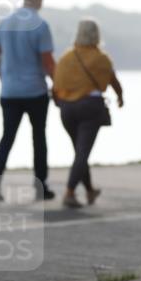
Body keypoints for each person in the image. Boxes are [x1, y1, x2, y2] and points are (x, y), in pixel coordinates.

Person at [0, 0, 56, 201]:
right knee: (39, 137)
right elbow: (48, 62)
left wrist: (3, 77)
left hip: (9, 91)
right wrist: (58, 85)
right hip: (35, 90)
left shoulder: (5, 21)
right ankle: (40, 185)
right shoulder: (40, 24)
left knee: (7, 137)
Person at [52, 18, 124, 208]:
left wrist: (59, 102)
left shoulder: (66, 57)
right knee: (82, 153)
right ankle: (69, 192)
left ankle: (90, 190)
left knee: (79, 151)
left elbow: (56, 86)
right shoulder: (101, 58)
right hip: (90, 107)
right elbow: (113, 80)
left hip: (67, 109)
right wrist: (120, 97)